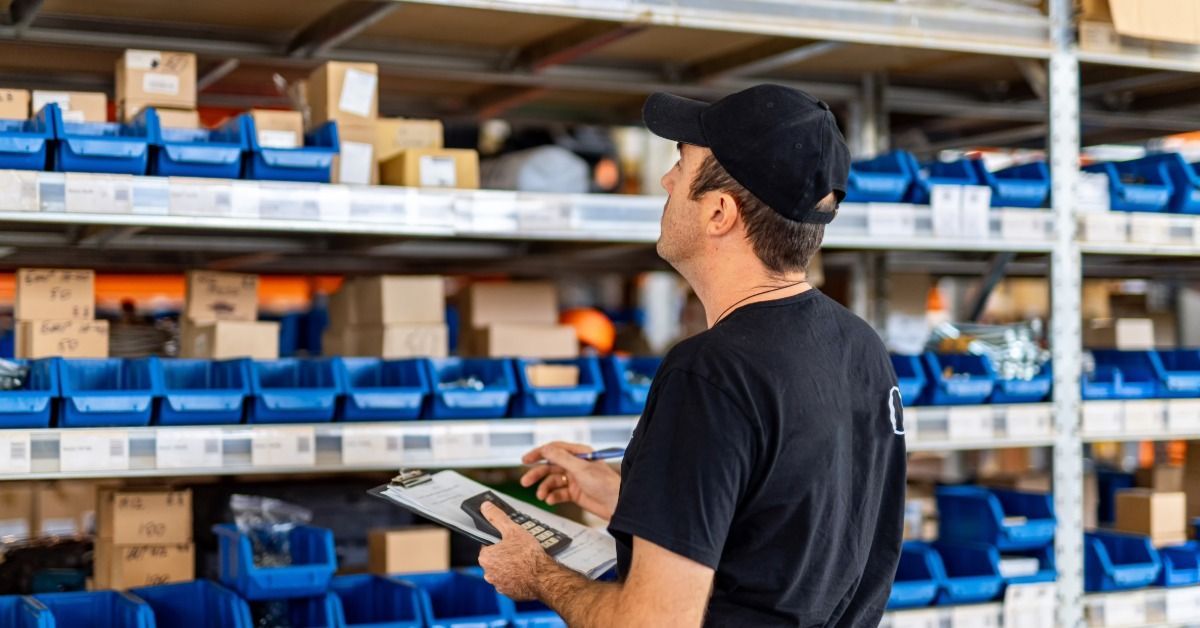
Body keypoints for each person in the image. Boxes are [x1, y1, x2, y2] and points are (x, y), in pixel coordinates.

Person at [476, 84, 907, 627]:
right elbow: (787, 539)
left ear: (720, 213)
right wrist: (635, 500)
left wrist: (537, 573)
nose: (666, 181)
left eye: (681, 165)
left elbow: (651, 623)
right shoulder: (861, 347)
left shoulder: (710, 373)